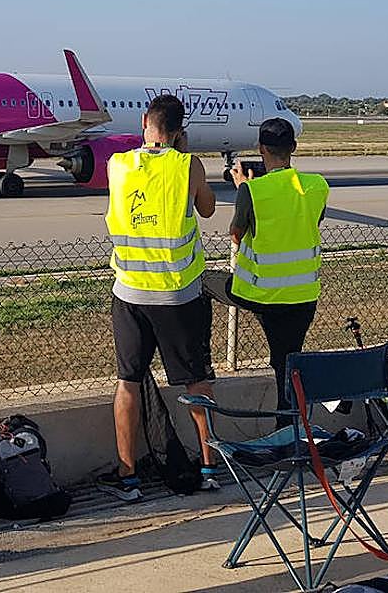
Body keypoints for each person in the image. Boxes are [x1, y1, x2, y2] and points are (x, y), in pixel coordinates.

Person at [98, 94, 220, 502]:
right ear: (180, 130)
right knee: (195, 381)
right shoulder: (189, 166)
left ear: (146, 123)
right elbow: (206, 209)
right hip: (177, 294)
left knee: (128, 382)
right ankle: (208, 467)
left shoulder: (118, 164)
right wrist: (181, 157)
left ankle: (127, 475)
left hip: (130, 292)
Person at [222, 118, 328, 418]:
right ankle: (295, 419)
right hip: (304, 296)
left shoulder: (252, 192)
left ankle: (289, 429)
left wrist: (244, 188)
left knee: (205, 285)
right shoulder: (317, 185)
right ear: (293, 148)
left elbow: (236, 233)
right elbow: (311, 221)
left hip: (263, 295)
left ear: (260, 148)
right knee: (286, 358)